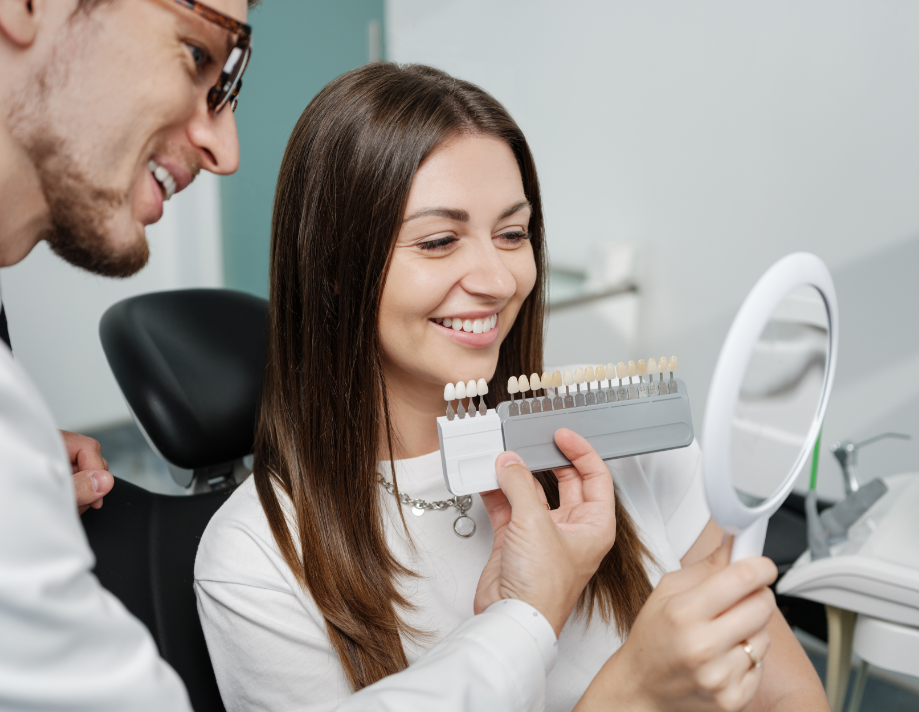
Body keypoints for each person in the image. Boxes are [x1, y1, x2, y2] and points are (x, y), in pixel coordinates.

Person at [0, 3, 638, 711]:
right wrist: (582, 659)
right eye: (195, 56)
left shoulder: (609, 453)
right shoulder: (255, 561)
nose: (224, 150)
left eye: (513, 233)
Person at [195, 63, 830, 712]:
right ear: (333, 268)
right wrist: (632, 693)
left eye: (512, 233)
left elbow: (787, 696)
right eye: (440, 241)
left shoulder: (630, 445)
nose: (498, 280)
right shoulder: (255, 562)